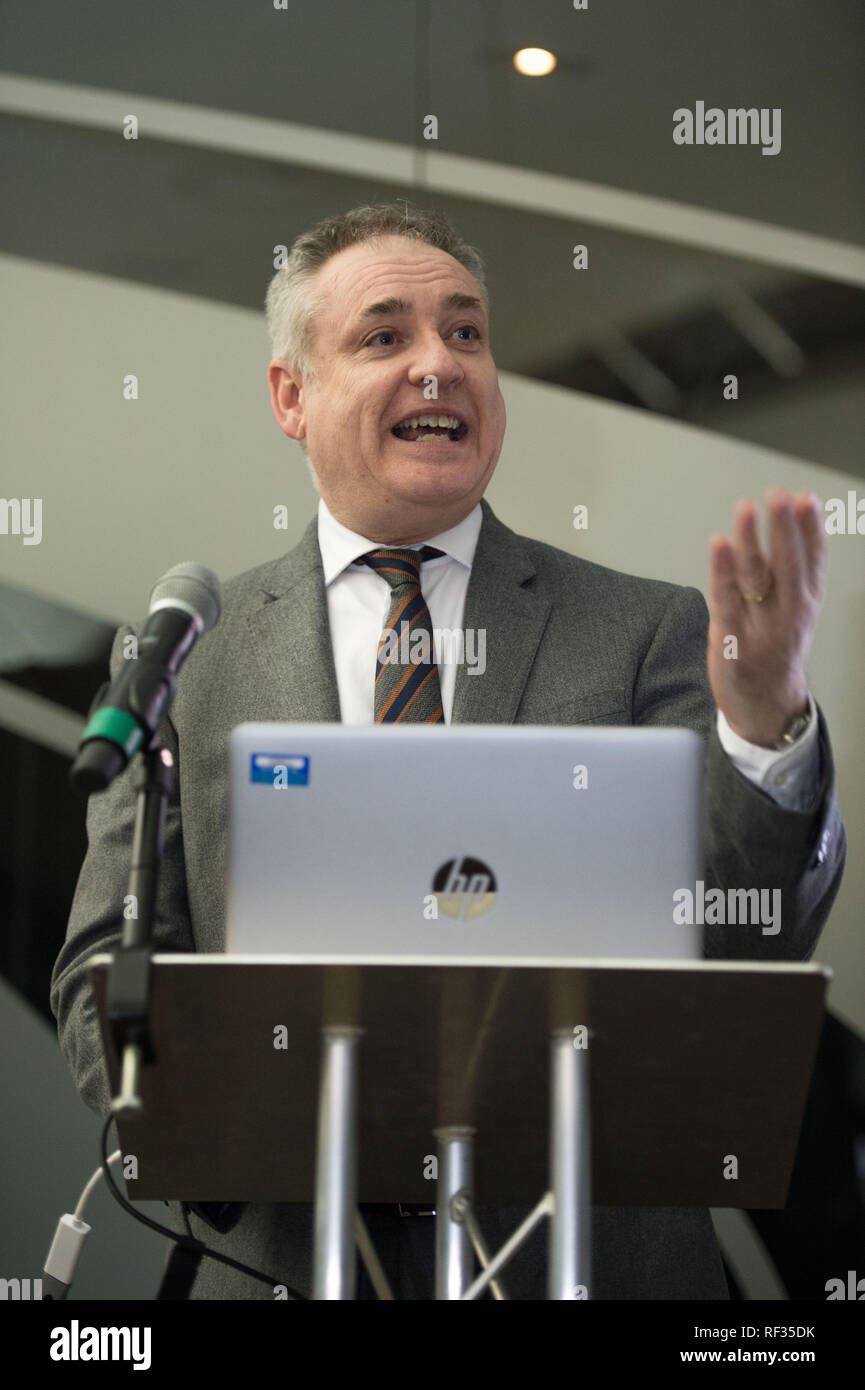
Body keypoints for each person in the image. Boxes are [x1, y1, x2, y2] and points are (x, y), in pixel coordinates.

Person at [51, 202, 846, 1300]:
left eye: (465, 333)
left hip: (596, 1267)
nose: (440, 364)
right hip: (280, 1260)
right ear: (291, 395)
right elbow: (102, 975)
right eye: (385, 337)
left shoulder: (646, 632)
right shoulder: (192, 655)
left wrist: (763, 731)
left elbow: (733, 945)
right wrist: (221, 1135)